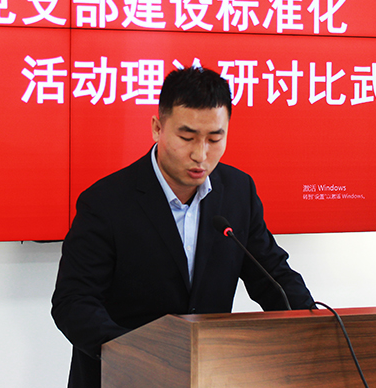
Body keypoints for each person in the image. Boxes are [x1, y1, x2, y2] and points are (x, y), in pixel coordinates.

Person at [51, 67, 313, 388]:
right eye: (187, 138)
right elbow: (74, 302)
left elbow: (273, 277)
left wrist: (315, 328)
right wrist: (137, 355)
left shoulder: (238, 192)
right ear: (157, 127)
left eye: (214, 139)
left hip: (209, 376)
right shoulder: (106, 202)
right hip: (122, 377)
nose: (200, 154)